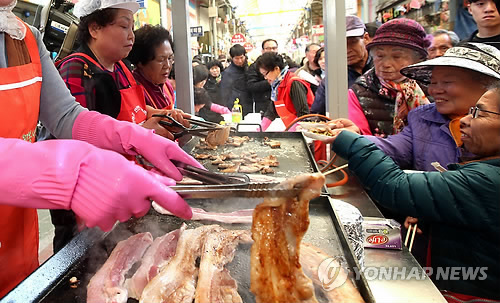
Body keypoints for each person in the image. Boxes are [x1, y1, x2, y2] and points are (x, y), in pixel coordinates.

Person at [0, 0, 202, 297]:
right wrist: (72, 173)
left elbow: (67, 115)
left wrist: (131, 135)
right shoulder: (77, 66)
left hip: (15, 243)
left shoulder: (24, 38)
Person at [328, 85, 500, 301]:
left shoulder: (487, 179)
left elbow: (394, 185)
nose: (465, 120)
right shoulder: (423, 119)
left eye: (479, 113)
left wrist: (351, 142)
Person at [328, 43, 500, 172]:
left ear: (488, 87)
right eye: (432, 82)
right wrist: (354, 137)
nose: (434, 90)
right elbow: (394, 149)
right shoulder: (422, 118)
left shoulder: (493, 129)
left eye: (447, 82)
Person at [57, 0, 185, 139]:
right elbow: (79, 136)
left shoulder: (121, 66)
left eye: (132, 27)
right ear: (94, 29)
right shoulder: (77, 70)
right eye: (124, 26)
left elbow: (135, 110)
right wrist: (140, 133)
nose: (131, 36)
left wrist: (160, 114)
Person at [349, 18, 431, 137]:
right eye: (380, 55)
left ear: (417, 59)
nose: (386, 64)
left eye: (397, 56)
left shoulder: (434, 86)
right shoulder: (359, 91)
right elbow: (362, 142)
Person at [257, 52, 314, 130]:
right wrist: (259, 129)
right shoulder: (277, 86)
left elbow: (303, 115)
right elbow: (271, 111)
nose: (265, 78)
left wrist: (289, 132)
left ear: (276, 69)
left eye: (265, 74)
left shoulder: (294, 83)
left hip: (307, 132)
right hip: (295, 131)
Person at [127, 24, 175, 110]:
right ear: (141, 62)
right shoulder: (132, 90)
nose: (167, 65)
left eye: (170, 58)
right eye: (161, 60)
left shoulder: (167, 85)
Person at [246, 38, 279, 115]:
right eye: (268, 48)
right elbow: (251, 86)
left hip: (282, 106)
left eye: (274, 48)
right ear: (262, 50)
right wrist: (270, 81)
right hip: (263, 107)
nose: (271, 50)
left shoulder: (283, 65)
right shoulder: (255, 66)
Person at [220, 44, 251, 115]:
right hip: (235, 107)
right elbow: (224, 94)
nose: (240, 61)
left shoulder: (248, 68)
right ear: (231, 58)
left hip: (249, 105)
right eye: (236, 58)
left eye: (241, 57)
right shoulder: (228, 73)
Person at [346, 15, 373, 88]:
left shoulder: (382, 70)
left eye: (353, 42)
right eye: (341, 45)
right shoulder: (332, 81)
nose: (347, 50)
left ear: (366, 38)